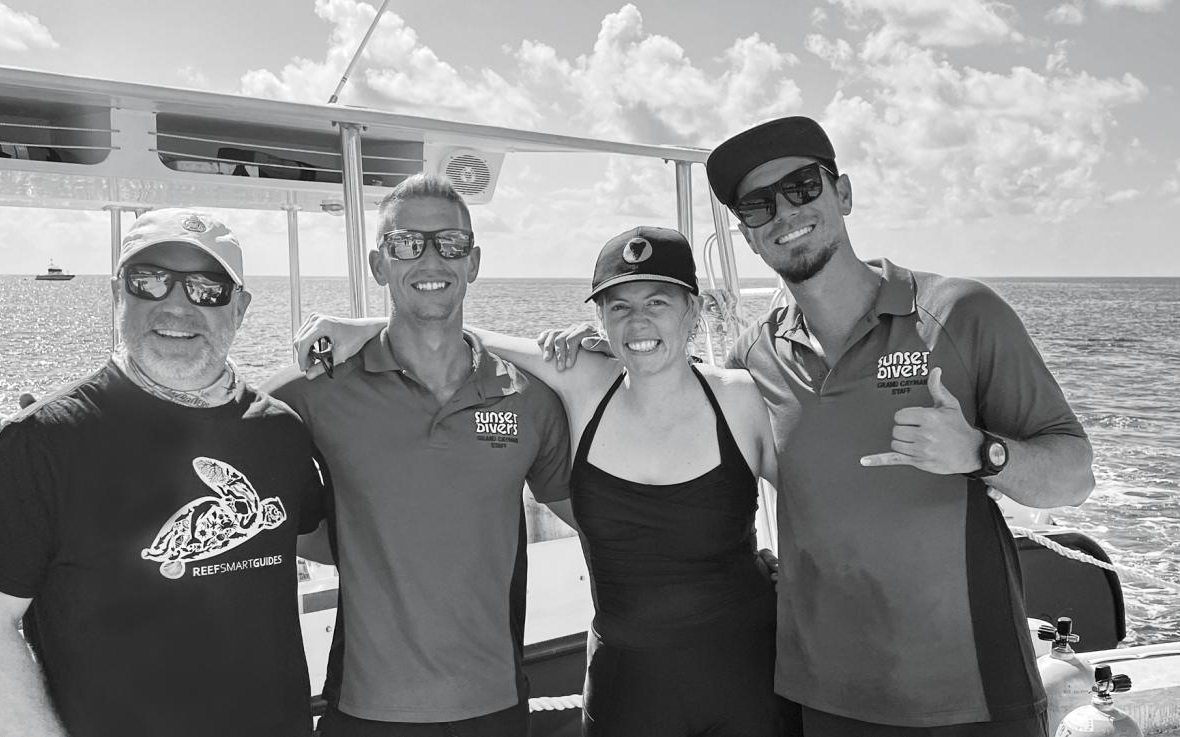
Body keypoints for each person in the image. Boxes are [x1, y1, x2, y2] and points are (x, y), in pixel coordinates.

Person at [293, 226, 784, 737]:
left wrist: (797, 574)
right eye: (618, 307)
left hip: (746, 672)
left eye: (657, 301)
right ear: (599, 318)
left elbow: (818, 503)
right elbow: (459, 338)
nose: (639, 321)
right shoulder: (581, 387)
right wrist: (367, 329)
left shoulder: (743, 399)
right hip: (629, 686)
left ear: (693, 310)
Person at [700, 116, 1096, 736]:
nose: (784, 211)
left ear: (844, 194)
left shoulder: (961, 314)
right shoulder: (752, 358)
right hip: (826, 695)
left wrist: (981, 452)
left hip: (972, 691)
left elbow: (1073, 476)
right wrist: (601, 352)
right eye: (757, 205)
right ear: (748, 236)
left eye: (804, 186)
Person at [0, 209, 328, 737]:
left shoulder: (279, 433)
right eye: (149, 282)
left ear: (240, 308)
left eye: (206, 289)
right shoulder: (43, 441)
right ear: (117, 296)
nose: (176, 304)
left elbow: (322, 541)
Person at [262, 173, 574, 737]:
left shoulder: (531, 400)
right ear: (380, 265)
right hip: (363, 708)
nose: (430, 259)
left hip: (494, 703)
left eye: (449, 244)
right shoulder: (318, 389)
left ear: (473, 262)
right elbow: (221, 431)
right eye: (407, 244)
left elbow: (606, 525)